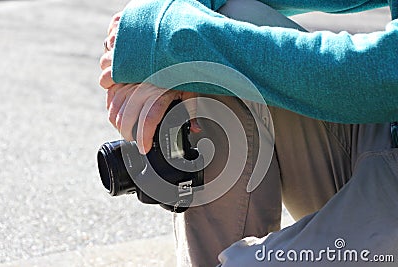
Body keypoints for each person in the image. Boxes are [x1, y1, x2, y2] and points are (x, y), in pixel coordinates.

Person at [99, 0, 398, 266]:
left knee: (210, 45)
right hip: (384, 132)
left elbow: (386, 74)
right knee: (229, 17)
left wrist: (178, 41)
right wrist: (162, 23)